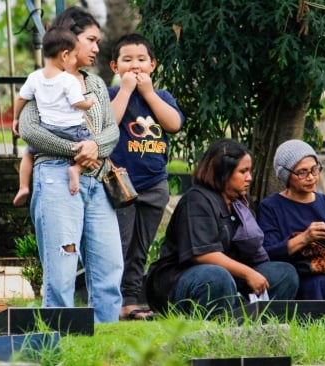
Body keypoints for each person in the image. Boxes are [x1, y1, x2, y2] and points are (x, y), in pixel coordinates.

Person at [18, 6, 123, 323]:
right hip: (56, 177)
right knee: (62, 267)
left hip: (98, 181)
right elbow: (29, 129)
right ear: (68, 41)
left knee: (109, 265)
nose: (96, 48)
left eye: (98, 41)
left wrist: (94, 147)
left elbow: (111, 131)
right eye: (90, 40)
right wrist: (78, 150)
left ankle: (107, 345)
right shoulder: (42, 81)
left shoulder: (97, 85)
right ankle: (58, 341)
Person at [144, 139, 299, 318]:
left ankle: (253, 323)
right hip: (179, 280)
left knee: (284, 273)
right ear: (223, 172)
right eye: (243, 171)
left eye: (249, 171)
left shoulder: (240, 201)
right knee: (216, 277)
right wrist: (248, 273)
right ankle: (218, 327)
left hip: (230, 277)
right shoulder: (196, 201)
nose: (249, 177)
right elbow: (203, 254)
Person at [108, 33, 185, 320]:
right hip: (121, 183)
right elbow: (108, 124)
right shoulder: (110, 94)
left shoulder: (161, 97)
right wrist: (126, 91)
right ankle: (112, 300)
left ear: (153, 65)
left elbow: (174, 124)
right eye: (127, 61)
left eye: (141, 60)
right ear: (115, 67)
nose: (135, 66)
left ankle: (130, 300)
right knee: (120, 244)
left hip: (154, 183)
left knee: (141, 246)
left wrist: (149, 94)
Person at [257, 139, 325, 301]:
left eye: (314, 170)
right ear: (286, 175)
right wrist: (305, 238)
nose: (311, 177)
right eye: (302, 172)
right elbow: (268, 253)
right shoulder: (271, 207)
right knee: (321, 285)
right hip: (298, 275)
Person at [12, 27, 96, 206]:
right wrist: (88, 103)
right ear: (64, 55)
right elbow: (77, 103)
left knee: (28, 154)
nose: (74, 61)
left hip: (48, 129)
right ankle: (76, 169)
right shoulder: (68, 80)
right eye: (74, 56)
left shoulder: (34, 77)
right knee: (95, 147)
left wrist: (16, 118)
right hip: (73, 131)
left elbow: (21, 98)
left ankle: (23, 186)